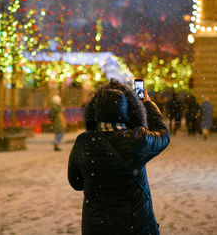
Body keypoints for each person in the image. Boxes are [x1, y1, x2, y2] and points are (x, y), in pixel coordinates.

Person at [68, 79, 170, 234]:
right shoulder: (137, 140)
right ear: (128, 110)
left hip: (97, 227)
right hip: (135, 226)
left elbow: (76, 183)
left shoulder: (84, 142)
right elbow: (163, 134)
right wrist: (148, 103)